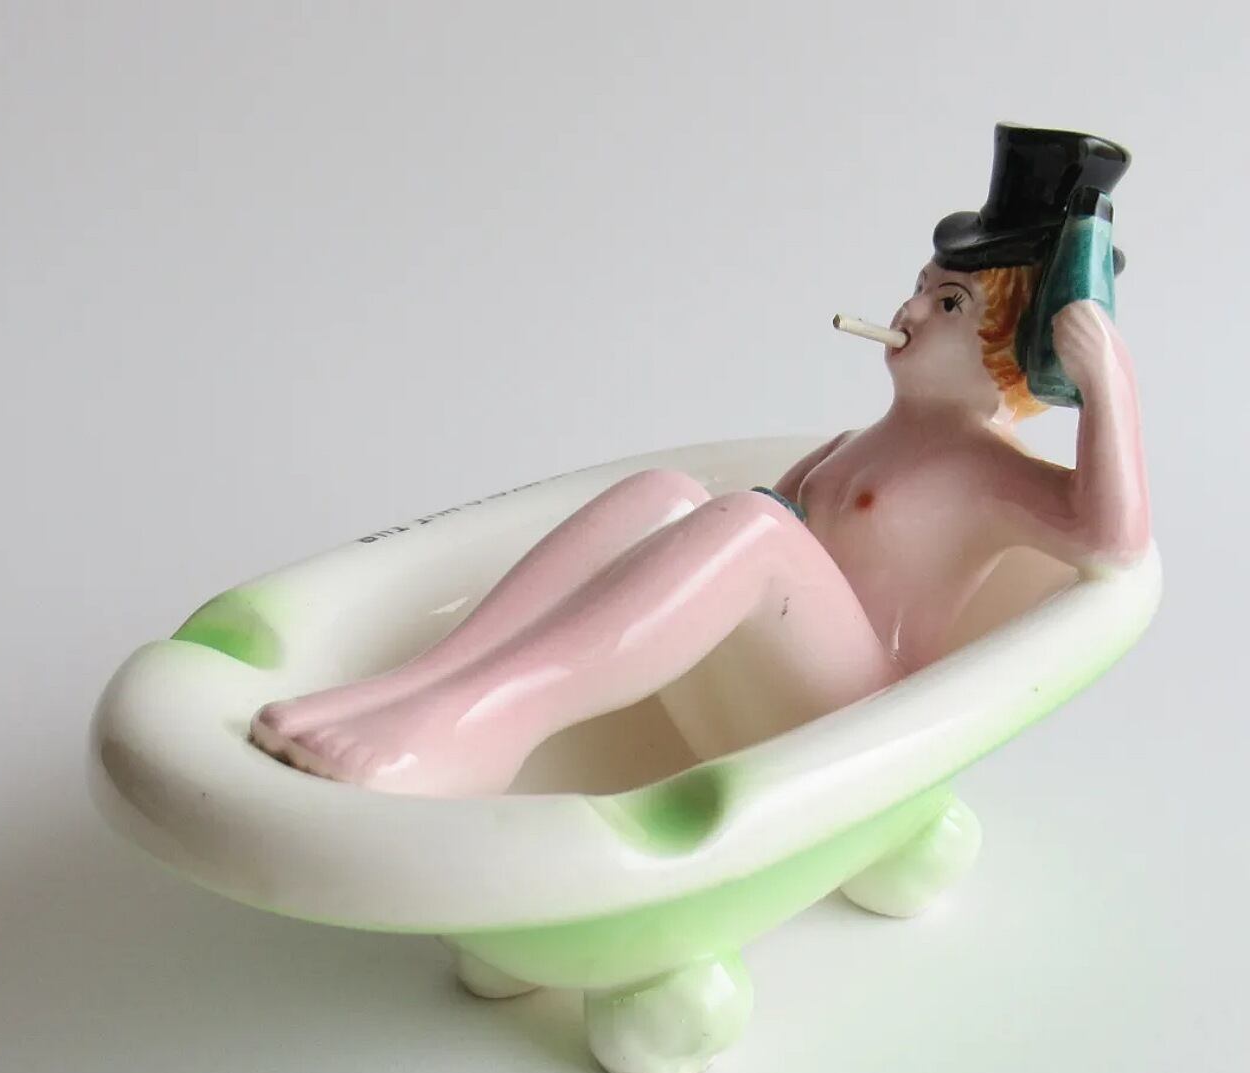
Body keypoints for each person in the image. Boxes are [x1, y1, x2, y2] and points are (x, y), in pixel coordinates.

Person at [250, 125, 1149, 797]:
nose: (909, 312)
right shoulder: (851, 448)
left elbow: (1112, 541)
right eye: (919, 288)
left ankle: (485, 725)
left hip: (854, 715)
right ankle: (418, 689)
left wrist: (1108, 382)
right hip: (753, 689)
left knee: (755, 523)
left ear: (1009, 353)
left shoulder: (984, 474)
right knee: (665, 495)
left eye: (949, 305)